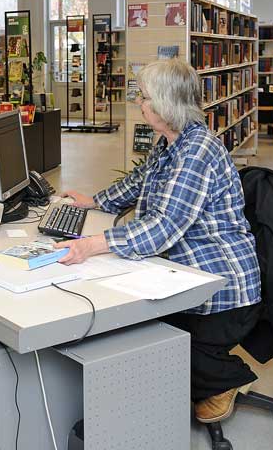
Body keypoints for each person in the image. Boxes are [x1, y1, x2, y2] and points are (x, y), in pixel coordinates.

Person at [57, 58, 262, 424]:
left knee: (147, 339)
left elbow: (163, 226)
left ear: (167, 104)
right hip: (187, 268)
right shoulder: (172, 141)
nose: (140, 103)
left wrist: (91, 245)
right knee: (139, 335)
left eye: (145, 97)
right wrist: (95, 201)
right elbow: (139, 181)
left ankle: (227, 380)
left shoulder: (197, 151)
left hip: (220, 285)